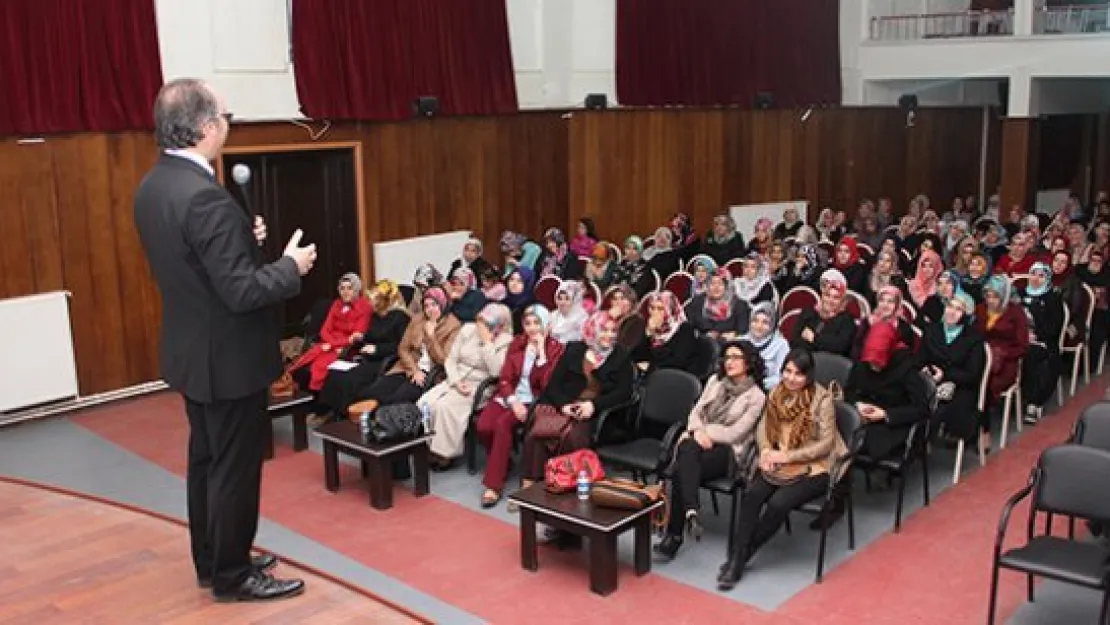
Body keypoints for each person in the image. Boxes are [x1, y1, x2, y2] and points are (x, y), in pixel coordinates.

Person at [133, 79, 311, 601]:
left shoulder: (155, 187)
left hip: (193, 354)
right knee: (234, 471)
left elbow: (197, 264)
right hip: (229, 360)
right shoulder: (206, 199)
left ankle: (213, 559)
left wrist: (239, 240)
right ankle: (234, 577)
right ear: (208, 128)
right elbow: (241, 291)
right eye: (226, 116)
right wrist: (289, 266)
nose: (228, 124)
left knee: (205, 462)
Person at [653, 340, 766, 562]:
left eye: (735, 357)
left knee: (682, 461)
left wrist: (704, 433)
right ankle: (690, 511)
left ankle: (674, 535)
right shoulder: (715, 381)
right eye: (726, 357)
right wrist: (697, 431)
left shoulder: (757, 397)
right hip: (698, 445)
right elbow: (695, 412)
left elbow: (737, 433)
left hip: (729, 454)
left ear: (749, 363)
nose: (729, 362)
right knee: (685, 456)